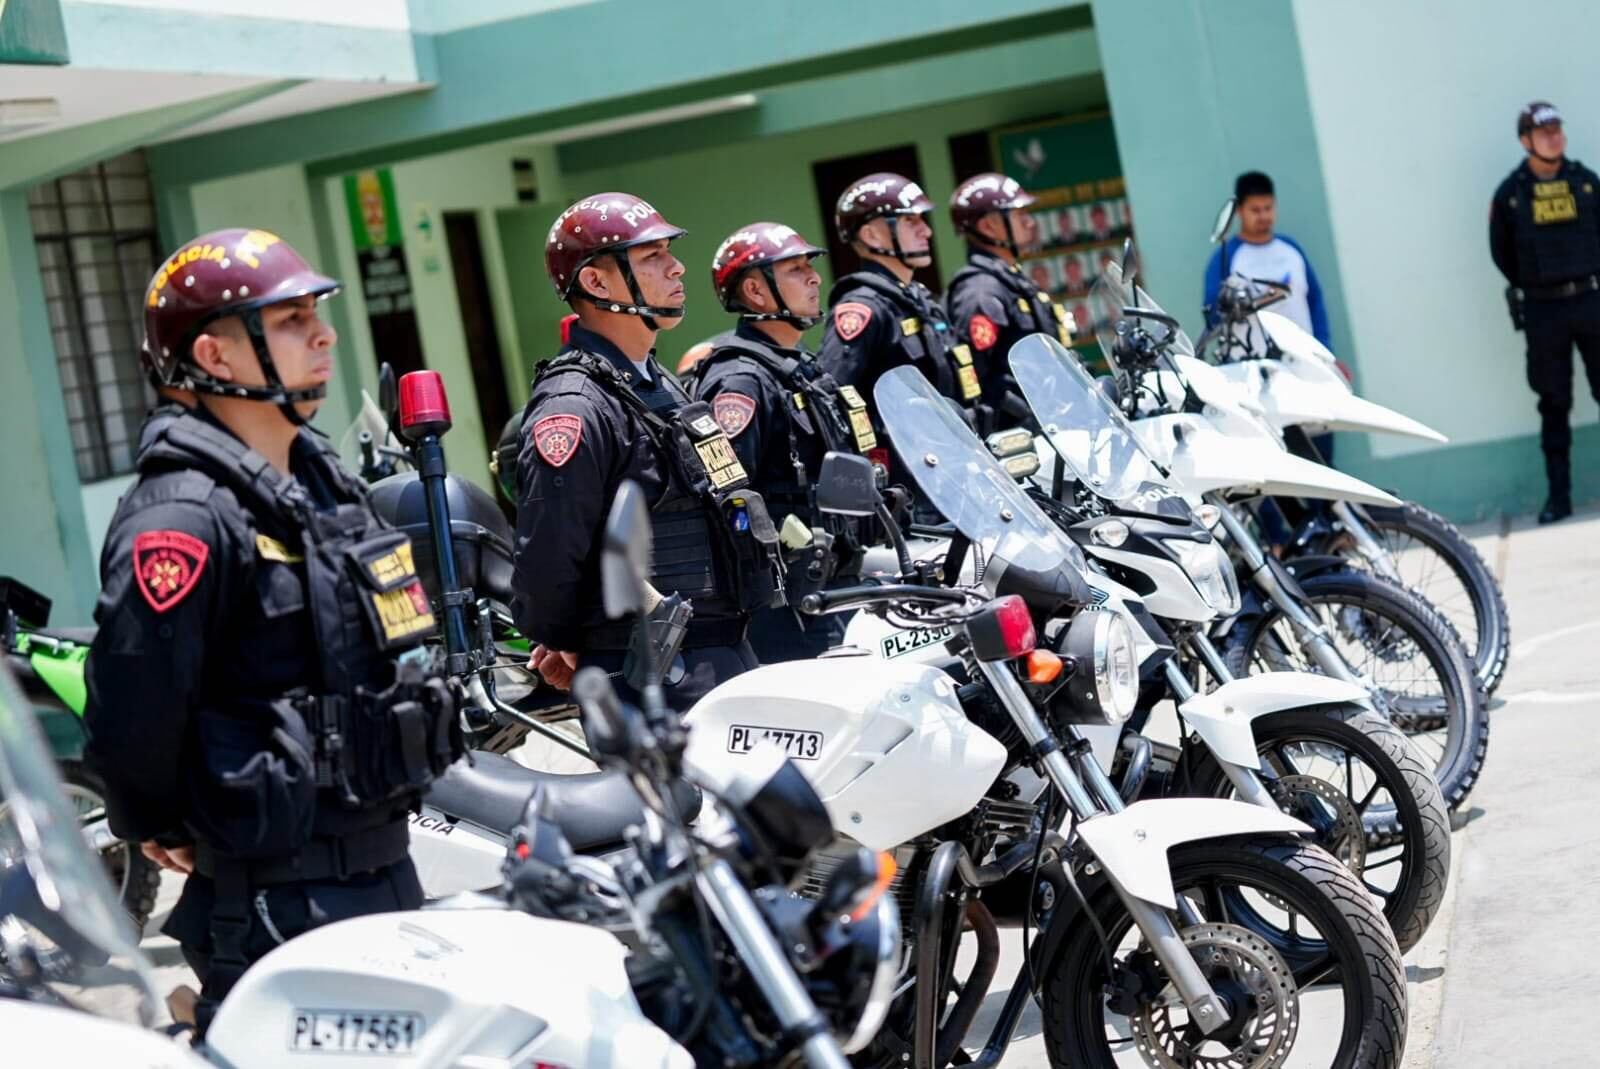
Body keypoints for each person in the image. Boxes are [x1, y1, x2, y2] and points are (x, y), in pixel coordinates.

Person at [83, 229, 461, 1019]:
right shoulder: (181, 515)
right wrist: (157, 820)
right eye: (288, 320)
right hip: (275, 896)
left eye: (313, 315)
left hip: (383, 862)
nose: (322, 334)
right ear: (215, 357)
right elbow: (134, 705)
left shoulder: (320, 477)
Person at [510, 193, 782, 710]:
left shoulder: (656, 383)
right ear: (596, 282)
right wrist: (569, 638)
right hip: (654, 674)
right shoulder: (576, 404)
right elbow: (550, 550)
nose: (677, 267)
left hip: (720, 650)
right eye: (652, 257)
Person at [689, 222, 875, 662]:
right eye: (795, 269)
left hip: (834, 581)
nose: (814, 278)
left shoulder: (801, 368)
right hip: (789, 606)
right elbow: (725, 500)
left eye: (810, 267)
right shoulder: (740, 380)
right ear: (755, 291)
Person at [1490, 100, 1600, 524]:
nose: (1554, 136)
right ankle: (1559, 498)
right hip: (1544, 309)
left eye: (1557, 128)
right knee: (1553, 403)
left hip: (1591, 300)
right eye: (1543, 131)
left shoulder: (1586, 183)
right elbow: (1502, 252)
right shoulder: (1512, 194)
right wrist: (1536, 285)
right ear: (1526, 141)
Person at [1204, 169, 1335, 468]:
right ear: (1239, 211)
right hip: (1257, 380)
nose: (1263, 216)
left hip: (1305, 371)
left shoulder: (1290, 251)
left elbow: (1315, 302)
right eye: (1255, 210)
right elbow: (1212, 315)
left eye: (1268, 208)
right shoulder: (1226, 259)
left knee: (1321, 461)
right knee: (1277, 465)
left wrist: (1327, 356)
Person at [944, 172, 1075, 424]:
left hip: (1052, 424)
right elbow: (976, 381)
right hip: (1019, 438)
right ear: (988, 226)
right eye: (1018, 215)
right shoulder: (981, 291)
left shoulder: (1014, 280)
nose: (1030, 222)